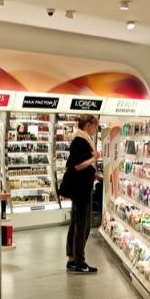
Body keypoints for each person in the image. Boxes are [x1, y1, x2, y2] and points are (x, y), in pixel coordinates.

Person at [58, 115, 100, 273]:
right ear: (88, 125)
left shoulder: (82, 140)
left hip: (80, 188)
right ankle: (79, 262)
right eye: (95, 126)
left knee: (76, 223)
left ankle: (72, 259)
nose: (96, 130)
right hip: (81, 189)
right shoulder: (81, 141)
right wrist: (93, 159)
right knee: (83, 225)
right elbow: (76, 165)